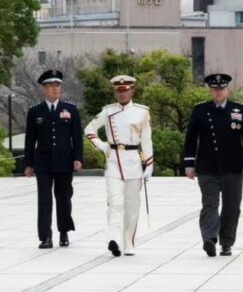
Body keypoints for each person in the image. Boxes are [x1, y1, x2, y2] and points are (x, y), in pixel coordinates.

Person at [183, 72, 243, 257]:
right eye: (215, 89)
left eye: (221, 89)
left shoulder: (239, 110)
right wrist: (189, 163)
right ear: (210, 91)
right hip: (208, 166)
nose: (218, 92)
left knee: (232, 206)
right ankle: (210, 239)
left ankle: (226, 242)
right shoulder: (200, 111)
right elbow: (191, 139)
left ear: (227, 90)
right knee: (210, 204)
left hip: (232, 166)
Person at [84, 75, 153, 257]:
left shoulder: (142, 112)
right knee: (115, 202)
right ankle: (113, 238)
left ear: (132, 91)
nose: (122, 94)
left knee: (132, 205)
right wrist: (102, 146)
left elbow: (146, 140)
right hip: (113, 160)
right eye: (118, 91)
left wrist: (149, 164)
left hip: (133, 160)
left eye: (125, 90)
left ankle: (129, 242)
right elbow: (89, 129)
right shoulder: (107, 111)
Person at [24, 69, 83, 248]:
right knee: (44, 199)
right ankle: (45, 237)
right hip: (43, 163)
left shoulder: (70, 109)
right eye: (51, 86)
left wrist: (78, 158)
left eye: (58, 85)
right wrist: (29, 164)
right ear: (44, 89)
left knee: (64, 197)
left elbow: (77, 137)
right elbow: (30, 140)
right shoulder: (36, 111)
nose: (55, 89)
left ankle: (64, 232)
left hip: (64, 161)